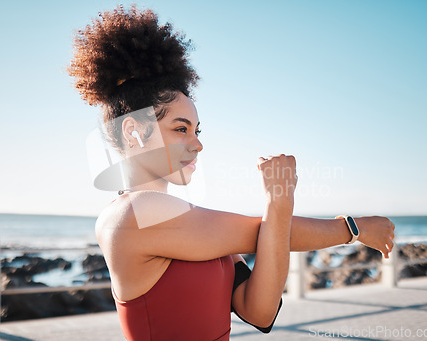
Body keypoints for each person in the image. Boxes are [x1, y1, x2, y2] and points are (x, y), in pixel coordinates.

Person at [68, 5, 395, 340]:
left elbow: (260, 312)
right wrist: (354, 228)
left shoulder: (195, 222)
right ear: (134, 131)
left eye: (198, 130)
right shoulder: (131, 215)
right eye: (181, 129)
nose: (197, 145)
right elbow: (262, 234)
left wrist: (279, 205)